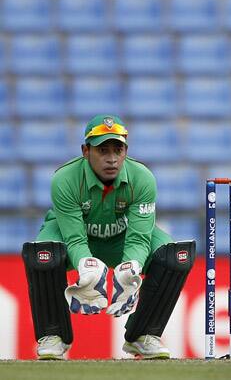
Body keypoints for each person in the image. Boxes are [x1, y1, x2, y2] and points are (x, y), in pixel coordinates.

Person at [21, 114, 196, 360]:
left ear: (126, 150)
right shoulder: (65, 179)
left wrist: (131, 266)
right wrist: (86, 265)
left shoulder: (142, 178)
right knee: (43, 254)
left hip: (122, 239)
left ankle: (143, 335)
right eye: (103, 150)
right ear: (85, 150)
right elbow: (75, 239)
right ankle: (53, 336)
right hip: (76, 239)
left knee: (175, 257)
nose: (112, 158)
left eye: (118, 149)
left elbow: (139, 239)